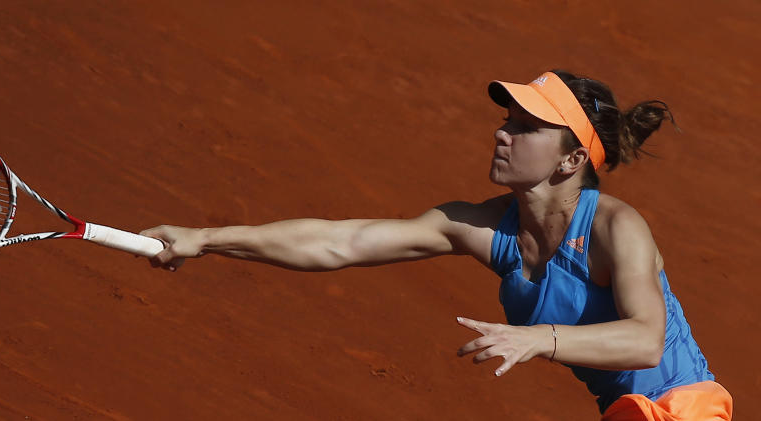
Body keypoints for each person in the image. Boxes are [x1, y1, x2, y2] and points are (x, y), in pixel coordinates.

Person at [140, 70, 733, 420]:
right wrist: (205, 239)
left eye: (527, 128)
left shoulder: (614, 227)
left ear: (573, 158)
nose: (503, 133)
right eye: (507, 120)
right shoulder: (484, 229)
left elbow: (645, 340)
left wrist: (537, 339)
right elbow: (343, 241)